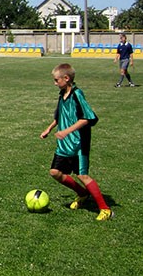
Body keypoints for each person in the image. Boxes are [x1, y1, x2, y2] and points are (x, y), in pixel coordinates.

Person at [40, 63, 113, 221]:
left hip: (78, 143)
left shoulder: (77, 94)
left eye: (56, 80)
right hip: (64, 144)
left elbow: (88, 118)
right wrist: (49, 129)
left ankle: (106, 209)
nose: (54, 83)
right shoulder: (62, 94)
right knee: (55, 172)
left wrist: (66, 131)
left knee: (82, 175)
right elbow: (59, 115)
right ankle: (82, 193)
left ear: (66, 78)